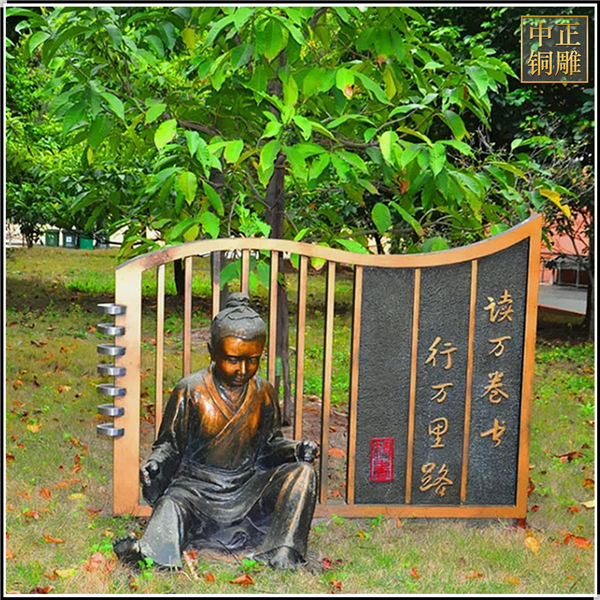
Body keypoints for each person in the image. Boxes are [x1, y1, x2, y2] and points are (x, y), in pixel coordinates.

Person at [114, 293, 318, 570]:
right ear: (212, 351)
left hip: (246, 488)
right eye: (232, 359)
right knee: (172, 505)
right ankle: (152, 554)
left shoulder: (264, 392)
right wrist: (156, 464)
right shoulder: (191, 390)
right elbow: (169, 444)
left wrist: (295, 450)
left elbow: (269, 446)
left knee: (303, 473)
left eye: (253, 360)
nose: (242, 369)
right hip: (196, 490)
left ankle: (283, 552)